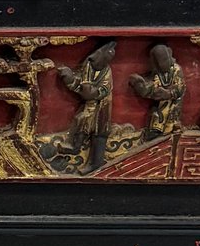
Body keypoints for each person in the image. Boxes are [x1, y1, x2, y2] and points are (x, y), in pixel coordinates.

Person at [57, 40, 119, 172]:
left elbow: (104, 89)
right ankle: (75, 147)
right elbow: (80, 85)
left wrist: (92, 92)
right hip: (89, 106)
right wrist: (69, 79)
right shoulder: (89, 67)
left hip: (101, 108)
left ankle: (95, 164)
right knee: (81, 120)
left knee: (99, 133)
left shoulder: (106, 71)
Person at [130, 41, 187, 140]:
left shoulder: (176, 69)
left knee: (170, 116)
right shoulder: (157, 74)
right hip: (161, 104)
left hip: (173, 103)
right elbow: (153, 87)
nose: (163, 64)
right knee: (156, 115)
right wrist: (141, 86)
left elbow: (180, 88)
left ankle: (169, 131)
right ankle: (155, 134)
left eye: (165, 60)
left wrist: (168, 93)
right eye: (160, 62)